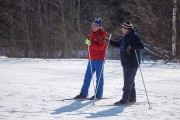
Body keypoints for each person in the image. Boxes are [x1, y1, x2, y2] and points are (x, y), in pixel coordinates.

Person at [109, 20, 144, 104]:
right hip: (126, 62)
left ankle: (125, 99)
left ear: (127, 29)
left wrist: (131, 47)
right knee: (130, 80)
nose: (121, 29)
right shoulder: (124, 37)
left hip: (132, 62)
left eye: (123, 28)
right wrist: (108, 40)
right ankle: (132, 97)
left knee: (128, 81)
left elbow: (141, 46)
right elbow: (118, 44)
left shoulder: (134, 36)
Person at [74, 18, 108, 100]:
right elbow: (90, 45)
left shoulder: (104, 35)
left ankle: (98, 94)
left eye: (96, 25)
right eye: (93, 25)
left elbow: (101, 47)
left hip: (99, 59)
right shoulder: (92, 34)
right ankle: (83, 93)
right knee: (87, 77)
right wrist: (87, 42)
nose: (94, 27)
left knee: (99, 78)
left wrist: (91, 43)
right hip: (91, 59)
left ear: (100, 26)